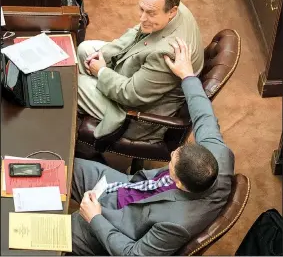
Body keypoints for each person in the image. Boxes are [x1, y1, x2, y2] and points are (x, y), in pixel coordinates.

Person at [70, 38, 235, 256]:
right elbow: (203, 114)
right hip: (126, 186)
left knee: (49, 233)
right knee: (64, 170)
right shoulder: (218, 155)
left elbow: (133, 254)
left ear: (178, 183)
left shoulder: (177, 224)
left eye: (172, 163)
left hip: (117, 224)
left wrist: (95, 218)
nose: (172, 153)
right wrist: (187, 75)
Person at [77, 0, 204, 143]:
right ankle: (87, 106)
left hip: (139, 116)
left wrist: (101, 72)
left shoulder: (168, 53)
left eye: (150, 13)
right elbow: (139, 31)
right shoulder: (174, 9)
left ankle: (84, 126)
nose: (142, 17)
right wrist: (105, 53)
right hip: (140, 71)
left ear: (172, 11)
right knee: (85, 49)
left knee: (77, 84)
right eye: (141, 9)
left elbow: (131, 94)